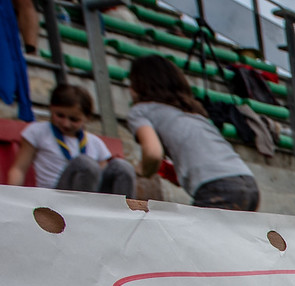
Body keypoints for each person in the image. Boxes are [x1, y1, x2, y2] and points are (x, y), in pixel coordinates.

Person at [127, 55, 260, 211]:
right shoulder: (192, 112)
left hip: (217, 187)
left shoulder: (140, 111)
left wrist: (140, 170)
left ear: (138, 85)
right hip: (248, 183)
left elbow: (153, 153)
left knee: (188, 235)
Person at [6, 83, 135, 195]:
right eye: (60, 115)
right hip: (56, 196)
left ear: (87, 118)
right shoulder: (38, 131)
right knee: (85, 163)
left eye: (74, 119)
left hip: (93, 198)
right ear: (51, 108)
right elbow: (19, 169)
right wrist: (13, 198)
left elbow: (103, 177)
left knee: (122, 166)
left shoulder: (95, 143)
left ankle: (124, 215)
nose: (66, 123)